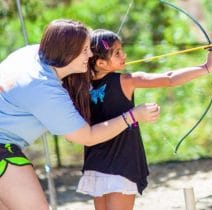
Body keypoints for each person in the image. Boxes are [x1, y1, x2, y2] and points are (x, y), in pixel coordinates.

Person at [0, 19, 160, 210]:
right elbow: (88, 136)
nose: (91, 54)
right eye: (85, 50)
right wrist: (133, 115)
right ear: (68, 53)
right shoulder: (44, 89)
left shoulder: (32, 53)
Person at [76, 29, 212, 210]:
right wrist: (206, 67)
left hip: (96, 165)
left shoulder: (82, 87)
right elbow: (168, 79)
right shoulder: (125, 80)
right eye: (117, 53)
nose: (124, 55)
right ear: (101, 63)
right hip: (121, 164)